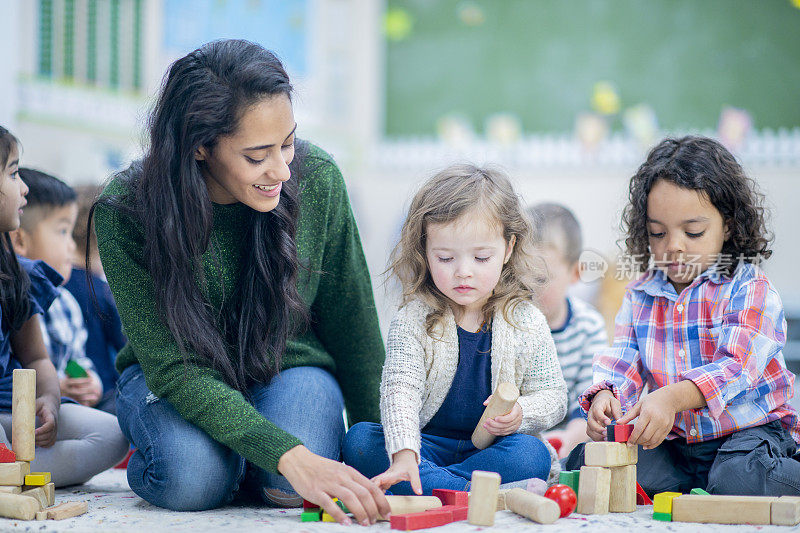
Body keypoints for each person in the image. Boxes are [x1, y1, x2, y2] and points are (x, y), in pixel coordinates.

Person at [92, 40, 389, 524]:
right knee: (190, 479)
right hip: (175, 379)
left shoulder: (318, 181)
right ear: (200, 147)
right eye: (257, 156)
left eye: (288, 142)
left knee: (291, 487)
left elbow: (353, 329)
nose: (282, 169)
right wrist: (288, 455)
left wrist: (383, 448)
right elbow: (174, 367)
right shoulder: (126, 211)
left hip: (288, 369)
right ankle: (240, 459)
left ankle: (253, 461)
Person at [566, 136, 800, 496]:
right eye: (658, 233)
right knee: (594, 462)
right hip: (677, 445)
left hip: (747, 436)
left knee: (737, 478)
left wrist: (671, 398)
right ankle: (700, 485)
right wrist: (606, 398)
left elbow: (736, 368)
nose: (673, 245)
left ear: (729, 225)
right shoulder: (641, 292)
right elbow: (624, 361)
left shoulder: (748, 287)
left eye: (693, 232)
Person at [343, 165, 568, 495]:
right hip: (425, 446)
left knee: (531, 455)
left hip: (491, 452)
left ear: (507, 249)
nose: (464, 272)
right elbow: (399, 393)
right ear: (425, 252)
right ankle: (470, 491)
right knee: (360, 441)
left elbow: (554, 396)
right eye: (446, 258)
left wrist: (522, 414)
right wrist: (406, 454)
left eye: (480, 257)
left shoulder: (526, 320)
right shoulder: (413, 320)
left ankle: (435, 486)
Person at [0, 126, 128, 486]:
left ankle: (11, 472)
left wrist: (49, 400)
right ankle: (12, 469)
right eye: (12, 173)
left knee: (113, 436)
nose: (22, 186)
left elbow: (38, 359)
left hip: (12, 413)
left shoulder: (19, 276)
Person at [11, 169, 104, 409]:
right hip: (23, 409)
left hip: (66, 409)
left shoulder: (66, 303)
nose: (72, 245)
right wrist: (52, 388)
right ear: (20, 240)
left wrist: (92, 383)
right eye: (63, 232)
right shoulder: (11, 302)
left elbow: (78, 360)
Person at [527, 202, 608, 458]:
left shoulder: (588, 327)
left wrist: (566, 439)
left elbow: (589, 406)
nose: (528, 287)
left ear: (575, 273)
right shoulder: (510, 324)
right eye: (519, 274)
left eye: (540, 278)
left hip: (570, 438)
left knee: (594, 449)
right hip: (520, 437)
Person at [64, 184, 126, 414]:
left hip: (67, 392)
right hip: (104, 397)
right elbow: (127, 346)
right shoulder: (101, 291)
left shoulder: (53, 285)